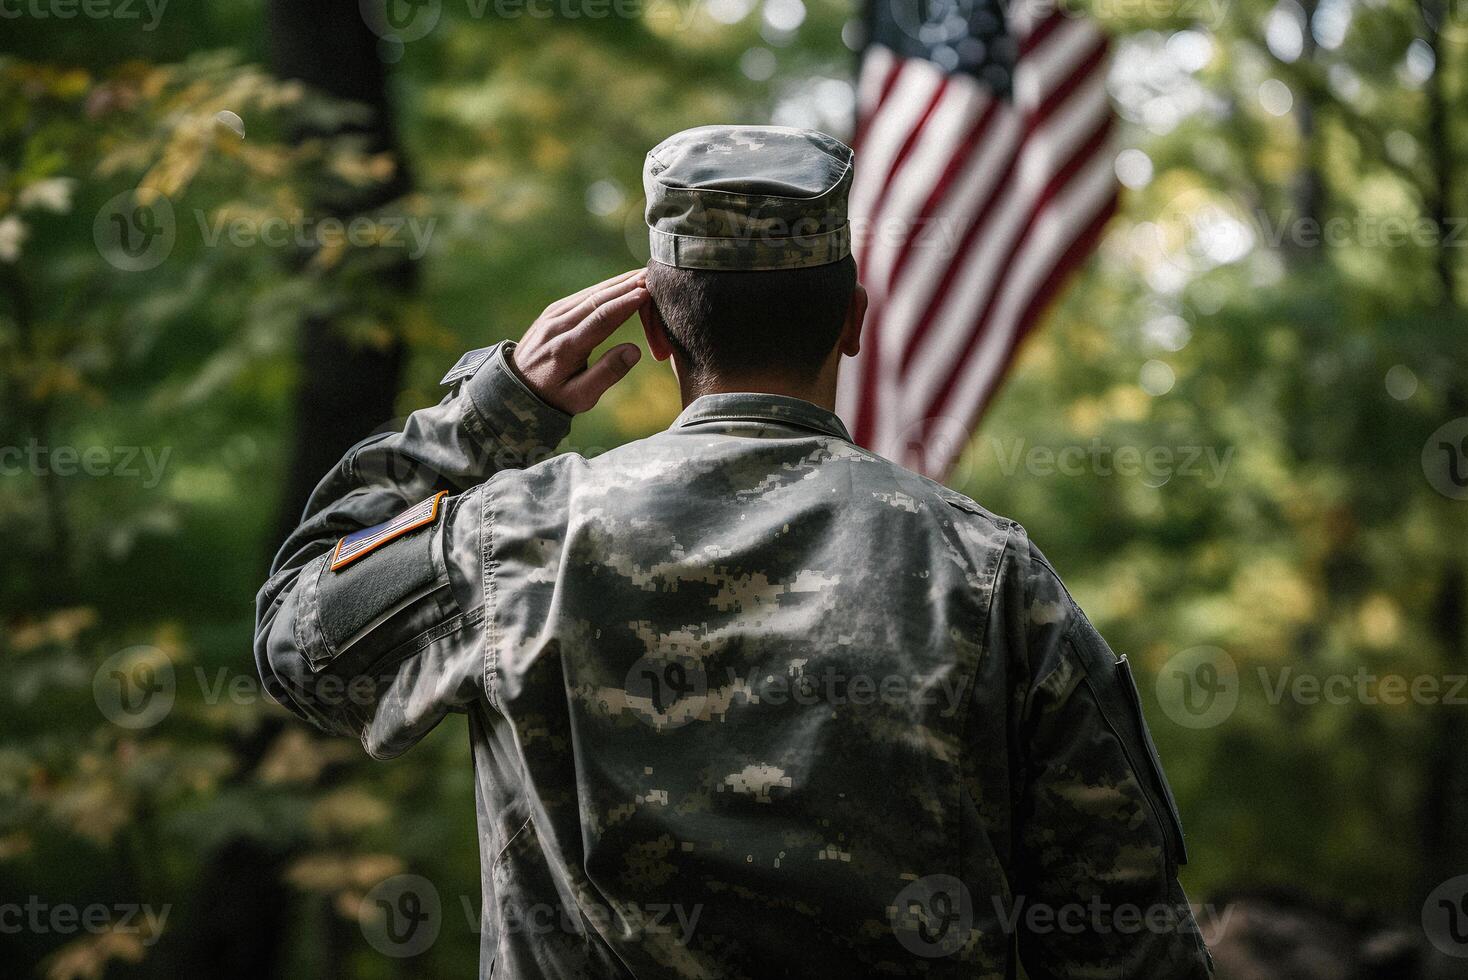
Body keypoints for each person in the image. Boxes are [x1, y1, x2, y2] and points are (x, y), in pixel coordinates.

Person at [254, 124, 1214, 978]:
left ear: (660, 333)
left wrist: (493, 411)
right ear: (853, 321)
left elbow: (299, 639)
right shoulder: (987, 572)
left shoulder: (517, 539)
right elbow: (1124, 937)